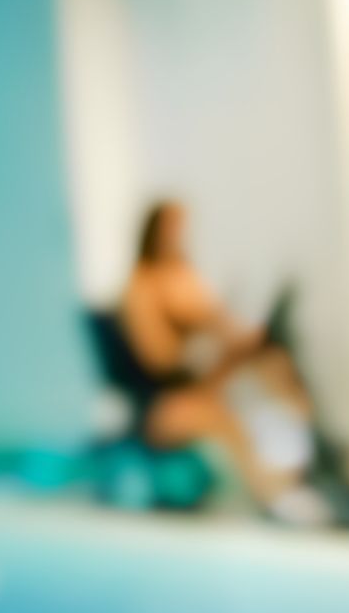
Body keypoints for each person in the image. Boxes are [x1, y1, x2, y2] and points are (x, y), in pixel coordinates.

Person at [117, 200, 328, 524]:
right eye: (173, 228)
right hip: (163, 402)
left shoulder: (181, 274)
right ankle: (272, 495)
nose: (179, 236)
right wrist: (200, 342)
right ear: (155, 230)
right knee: (227, 422)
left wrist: (237, 339)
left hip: (198, 380)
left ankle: (307, 462)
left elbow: (219, 322)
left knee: (273, 364)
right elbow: (161, 361)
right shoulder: (141, 286)